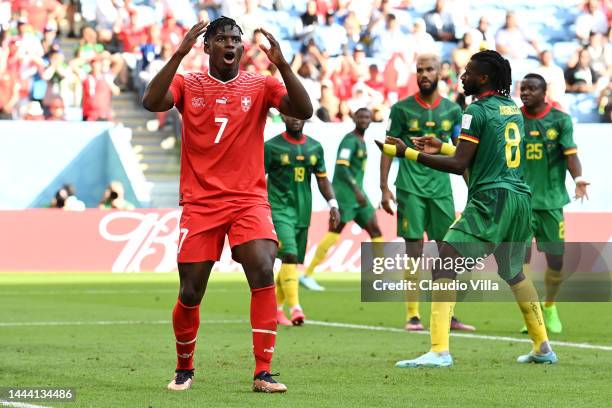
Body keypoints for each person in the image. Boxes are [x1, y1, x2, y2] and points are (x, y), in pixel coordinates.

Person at [142, 16, 312, 393]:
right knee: (191, 291)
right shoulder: (188, 83)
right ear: (207, 47)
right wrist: (178, 54)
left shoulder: (261, 84)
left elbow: (304, 110)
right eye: (221, 39)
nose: (230, 44)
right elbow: (152, 101)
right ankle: (184, 367)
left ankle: (263, 372)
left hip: (248, 199)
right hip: (201, 202)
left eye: (235, 39)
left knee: (263, 267)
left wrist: (283, 65)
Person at [377, 50, 557, 367]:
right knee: (513, 272)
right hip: (518, 199)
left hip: (491, 200)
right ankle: (542, 347)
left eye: (469, 72)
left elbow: (461, 163)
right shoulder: (511, 109)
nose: (462, 76)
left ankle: (439, 350)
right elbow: (480, 157)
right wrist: (442, 145)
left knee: (444, 261)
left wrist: (407, 153)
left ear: (483, 78)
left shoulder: (475, 110)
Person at [380, 54, 475, 332]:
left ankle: (449, 313)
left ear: (439, 73)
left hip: (441, 189)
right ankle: (413, 315)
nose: (424, 74)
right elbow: (388, 148)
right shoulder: (401, 109)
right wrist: (384, 187)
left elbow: (462, 152)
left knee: (448, 251)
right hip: (410, 187)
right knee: (414, 250)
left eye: (429, 69)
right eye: (419, 69)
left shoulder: (453, 111)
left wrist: (474, 190)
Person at [519, 73, 589, 334]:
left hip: (550, 203)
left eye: (531, 88)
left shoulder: (560, 120)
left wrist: (578, 178)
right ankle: (532, 312)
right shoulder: (513, 119)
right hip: (521, 203)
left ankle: (549, 305)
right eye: (522, 88)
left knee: (556, 263)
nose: (525, 92)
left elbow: (571, 155)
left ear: (543, 92)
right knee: (519, 263)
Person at [264, 115, 340, 326]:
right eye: (290, 113)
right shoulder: (271, 147)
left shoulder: (315, 147)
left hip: (302, 211)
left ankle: (277, 311)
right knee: (288, 254)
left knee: (292, 260)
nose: (294, 118)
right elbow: (257, 178)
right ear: (283, 116)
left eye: (298, 114)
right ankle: (296, 307)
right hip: (279, 209)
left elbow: (322, 179)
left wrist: (333, 203)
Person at [303, 108, 383, 291]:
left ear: (371, 120)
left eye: (367, 117)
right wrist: (356, 191)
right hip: (347, 195)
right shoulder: (349, 140)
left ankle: (381, 277)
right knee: (334, 232)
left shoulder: (361, 141)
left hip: (358, 195)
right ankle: (307, 274)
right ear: (354, 118)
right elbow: (342, 167)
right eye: (361, 117)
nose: (364, 120)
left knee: (376, 230)